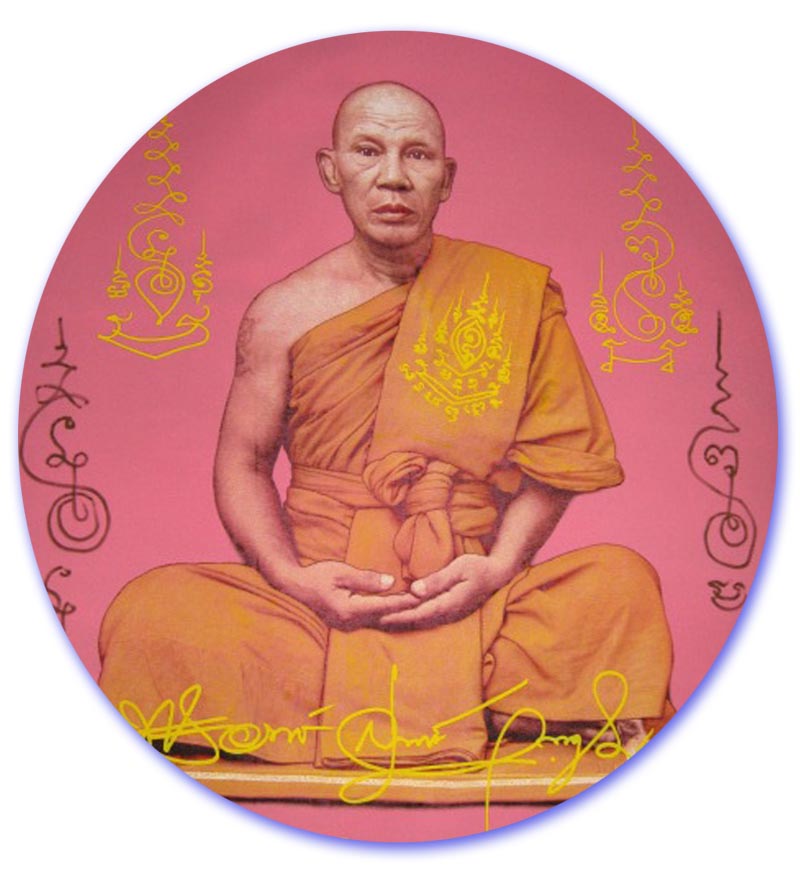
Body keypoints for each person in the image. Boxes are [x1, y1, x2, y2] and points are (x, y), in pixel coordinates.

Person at [99, 82, 673, 768]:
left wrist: (498, 566)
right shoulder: (283, 312)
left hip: (471, 591)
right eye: (368, 151)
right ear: (331, 169)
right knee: (154, 610)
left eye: (417, 155)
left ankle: (334, 712)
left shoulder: (509, 293)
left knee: (621, 582)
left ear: (446, 178)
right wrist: (291, 577)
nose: (393, 176)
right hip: (322, 600)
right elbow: (243, 462)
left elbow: (559, 462)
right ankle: (506, 711)